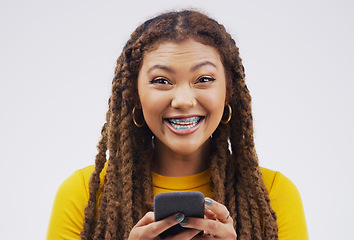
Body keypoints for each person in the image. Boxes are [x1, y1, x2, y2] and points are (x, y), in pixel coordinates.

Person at [47, 10, 308, 240]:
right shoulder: (82, 196)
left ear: (228, 92)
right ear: (135, 96)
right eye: (161, 81)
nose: (183, 100)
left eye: (203, 79)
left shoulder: (273, 194)